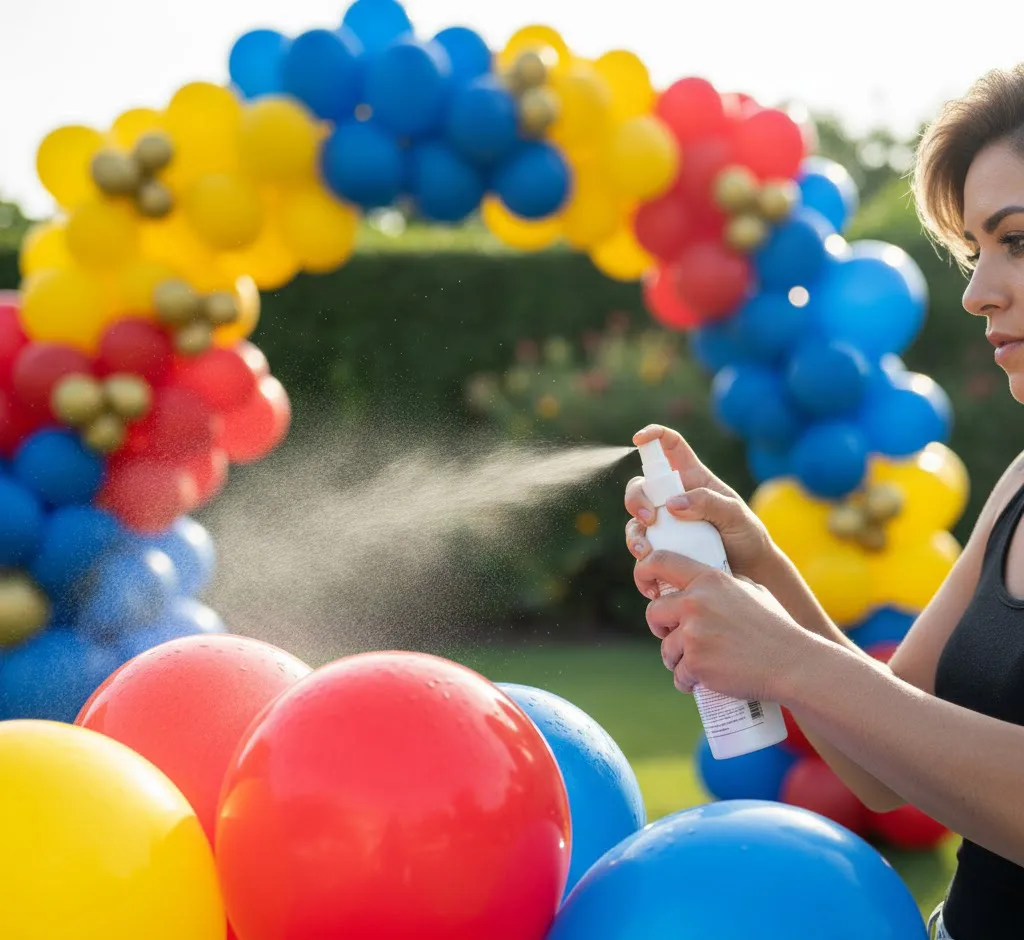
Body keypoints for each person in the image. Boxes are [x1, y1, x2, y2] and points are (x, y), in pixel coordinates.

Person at [624, 64, 1024, 940]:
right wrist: (760, 566)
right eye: (973, 252)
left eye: (1017, 241)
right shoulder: (1019, 487)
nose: (977, 291)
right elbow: (887, 763)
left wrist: (786, 659)